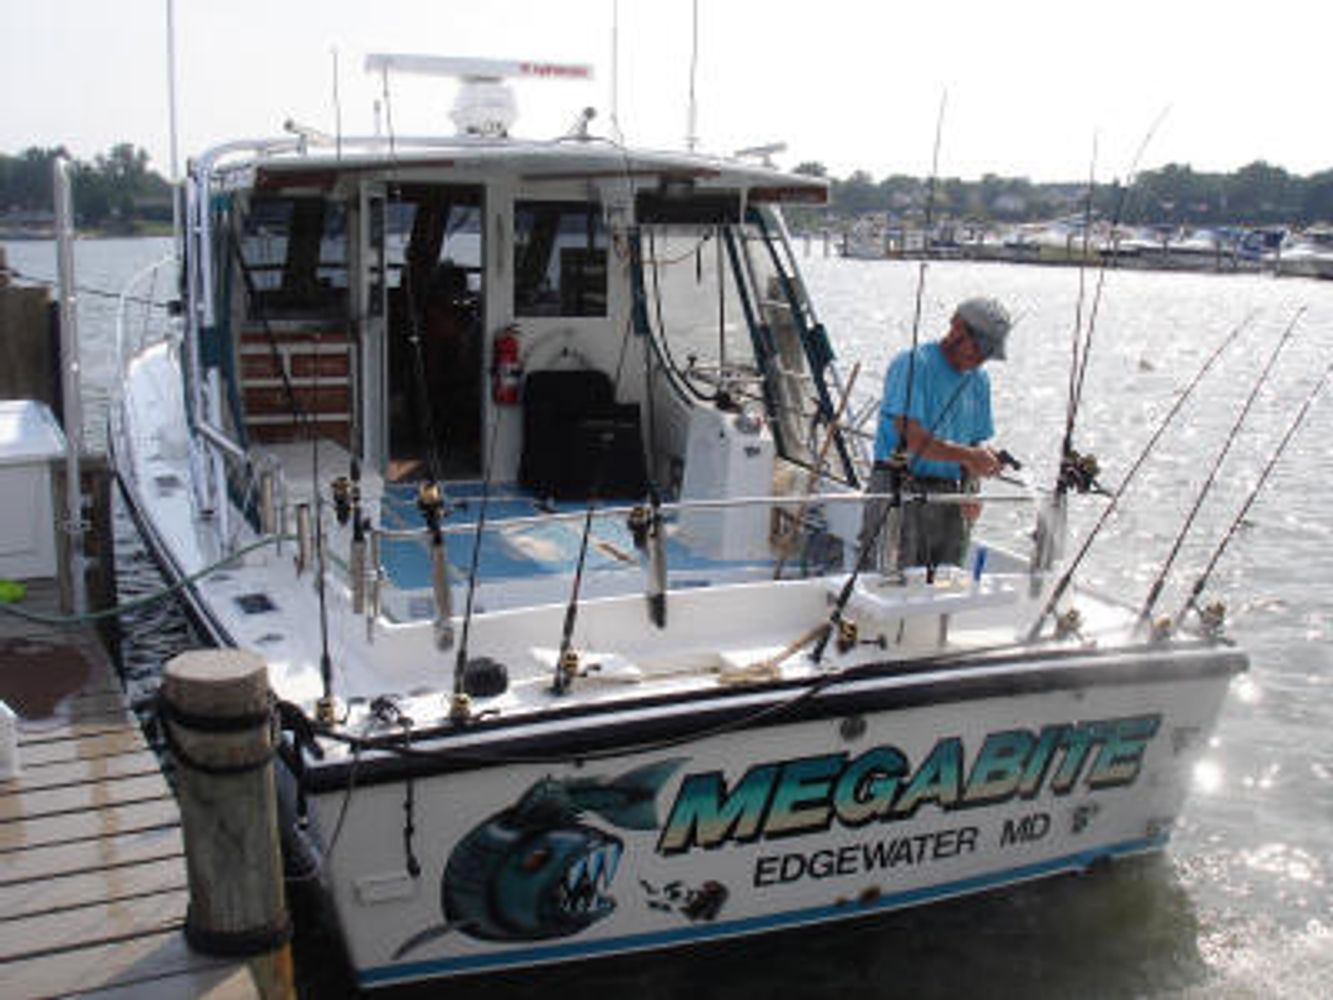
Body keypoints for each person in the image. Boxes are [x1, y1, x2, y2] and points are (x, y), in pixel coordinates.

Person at [862, 296, 1012, 571]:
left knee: (945, 581)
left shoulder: (979, 380)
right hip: (898, 489)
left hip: (949, 495)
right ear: (957, 328)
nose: (980, 358)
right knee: (888, 581)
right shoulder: (911, 364)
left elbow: (974, 442)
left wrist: (972, 488)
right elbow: (915, 440)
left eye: (988, 354)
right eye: (978, 347)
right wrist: (970, 456)